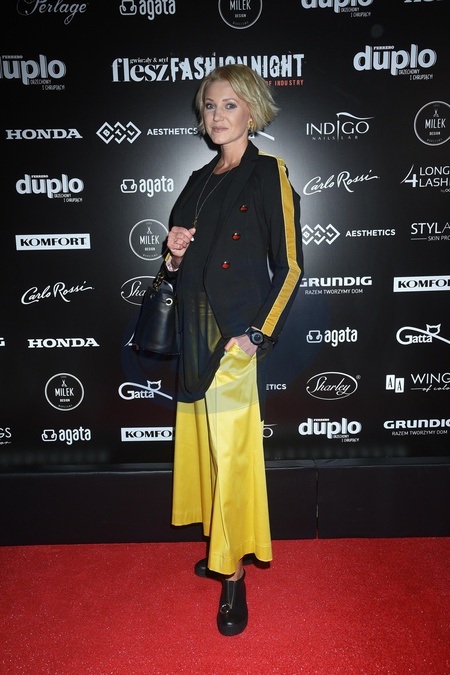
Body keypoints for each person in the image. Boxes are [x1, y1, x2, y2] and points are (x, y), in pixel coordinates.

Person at [165, 64, 303, 636]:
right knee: (208, 455)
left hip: (233, 340)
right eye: (210, 106)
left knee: (233, 457)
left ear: (252, 110)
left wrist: (258, 334)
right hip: (192, 337)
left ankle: (233, 574)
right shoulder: (198, 179)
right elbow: (181, 267)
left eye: (229, 104)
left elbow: (290, 266)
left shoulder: (269, 172)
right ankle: (218, 548)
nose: (217, 115)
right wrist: (174, 254)